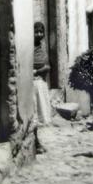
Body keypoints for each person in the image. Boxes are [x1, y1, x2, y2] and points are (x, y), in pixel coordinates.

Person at [33, 21, 52, 153]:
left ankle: (37, 142)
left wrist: (43, 69)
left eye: (41, 31)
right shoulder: (31, 47)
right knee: (34, 115)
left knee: (39, 115)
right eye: (36, 31)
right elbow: (37, 65)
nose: (39, 34)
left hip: (41, 83)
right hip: (34, 84)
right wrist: (40, 70)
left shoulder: (41, 47)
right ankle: (36, 143)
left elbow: (47, 65)